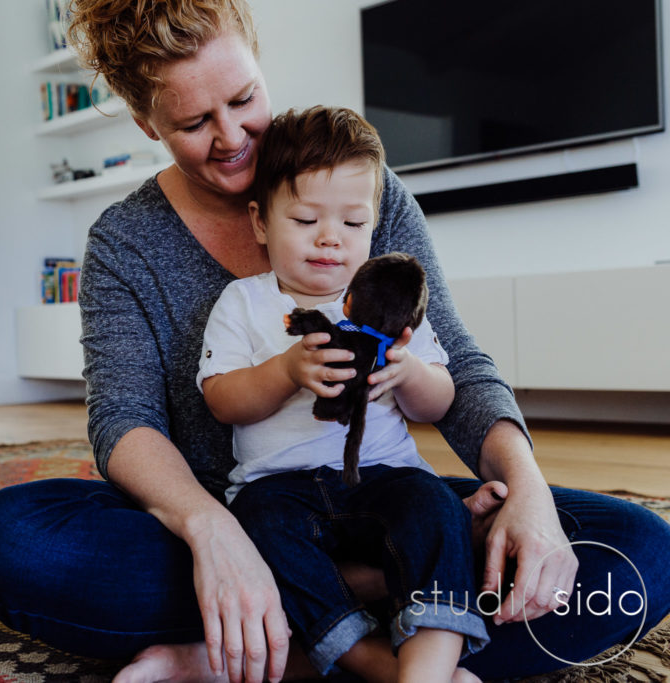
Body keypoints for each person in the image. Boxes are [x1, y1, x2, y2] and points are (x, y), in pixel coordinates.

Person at [0, 1, 670, 681]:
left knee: (641, 554)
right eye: (193, 121)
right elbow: (123, 422)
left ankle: (240, 656)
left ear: (261, 67)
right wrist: (214, 534)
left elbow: (454, 362)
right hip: (235, 506)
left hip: (376, 496)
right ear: (148, 124)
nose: (232, 136)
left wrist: (530, 492)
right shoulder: (126, 242)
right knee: (12, 538)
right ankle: (393, 588)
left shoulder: (364, 192)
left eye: (243, 99)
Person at [199, 104, 489, 682]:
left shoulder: (390, 307)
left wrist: (409, 373)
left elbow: (439, 402)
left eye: (354, 225)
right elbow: (221, 400)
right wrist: (283, 372)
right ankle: (377, 663)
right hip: (278, 491)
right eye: (306, 220)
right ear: (261, 222)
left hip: (382, 477)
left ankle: (429, 666)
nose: (330, 239)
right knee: (253, 533)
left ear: (375, 228)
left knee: (436, 509)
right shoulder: (245, 302)